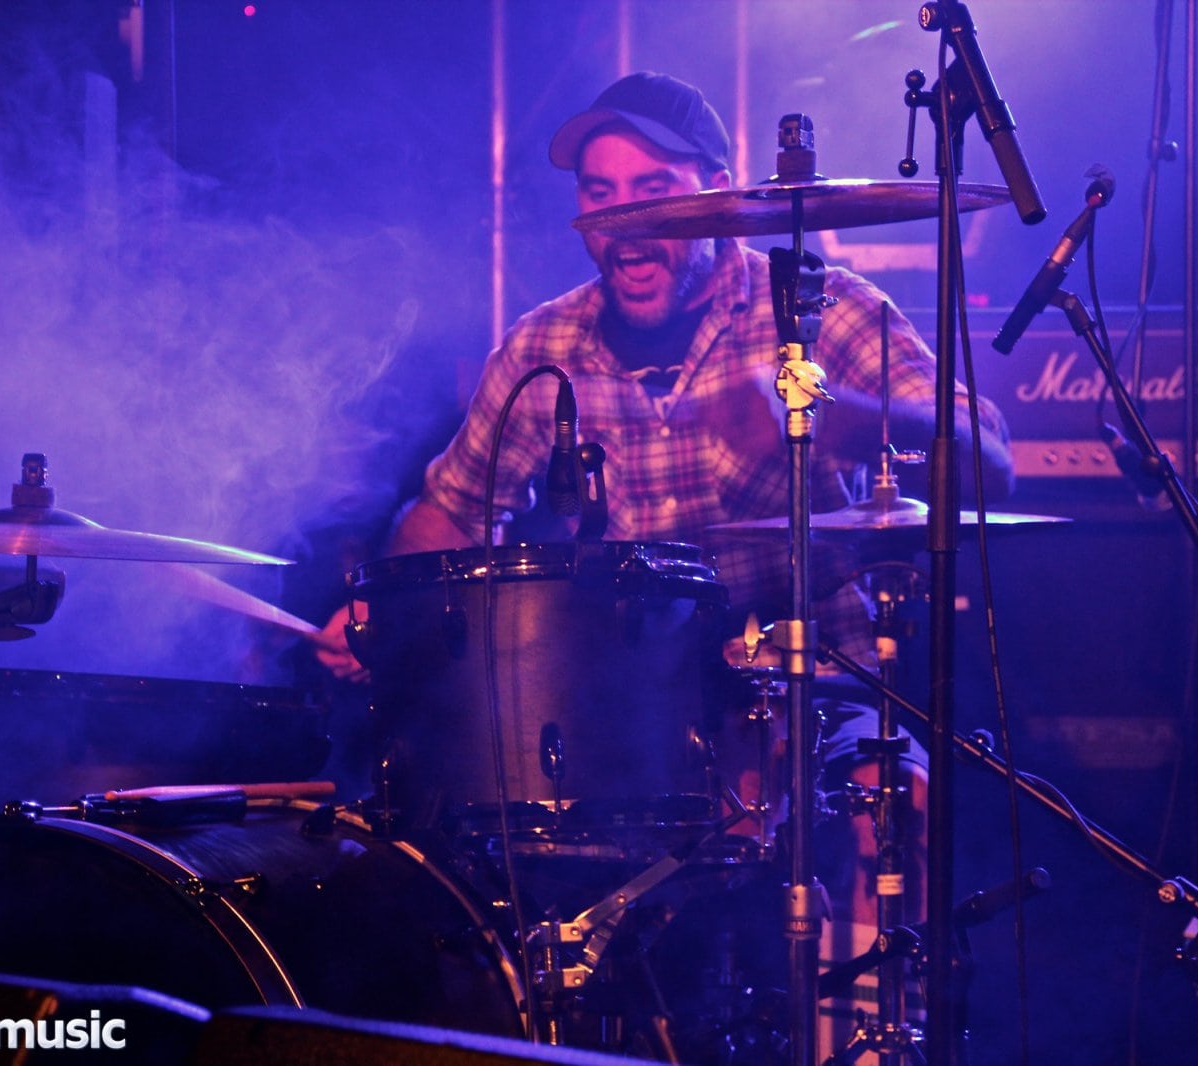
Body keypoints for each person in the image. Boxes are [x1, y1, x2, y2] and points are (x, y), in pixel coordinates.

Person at [317, 70, 1013, 1048]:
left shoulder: (822, 312)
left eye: (654, 191)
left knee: (890, 799)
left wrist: (823, 419)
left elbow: (989, 459)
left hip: (817, 690)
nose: (625, 224)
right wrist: (382, 620)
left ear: (719, 193)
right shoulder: (545, 342)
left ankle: (864, 1043)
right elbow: (450, 512)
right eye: (600, 195)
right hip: (627, 719)